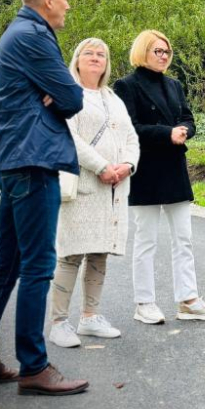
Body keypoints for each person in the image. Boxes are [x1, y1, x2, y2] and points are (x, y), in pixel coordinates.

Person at [0, 0, 89, 395]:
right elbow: (73, 98)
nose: (69, 6)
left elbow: (62, 94)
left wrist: (52, 94)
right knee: (37, 265)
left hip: (16, 159)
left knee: (8, 263)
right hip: (33, 161)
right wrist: (55, 95)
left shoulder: (18, 33)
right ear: (48, 0)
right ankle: (34, 367)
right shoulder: (33, 35)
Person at [114, 30, 205, 325]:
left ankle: (189, 300)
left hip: (174, 168)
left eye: (166, 52)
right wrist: (166, 133)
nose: (163, 56)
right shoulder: (126, 86)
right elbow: (129, 128)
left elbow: (188, 117)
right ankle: (144, 303)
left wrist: (185, 130)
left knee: (183, 239)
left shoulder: (174, 84)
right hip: (145, 170)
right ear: (142, 52)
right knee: (146, 240)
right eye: (157, 51)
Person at [48, 38, 140, 348]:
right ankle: (59, 322)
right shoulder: (70, 94)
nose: (96, 57)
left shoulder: (112, 98)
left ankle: (90, 317)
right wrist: (101, 166)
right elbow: (68, 137)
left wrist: (127, 164)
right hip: (84, 186)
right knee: (71, 252)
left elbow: (130, 137)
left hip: (113, 188)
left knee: (100, 251)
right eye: (89, 53)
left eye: (102, 54)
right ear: (76, 59)